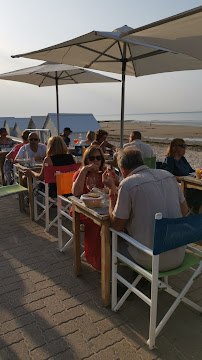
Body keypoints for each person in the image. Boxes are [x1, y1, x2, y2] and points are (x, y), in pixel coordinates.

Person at [103, 147, 188, 271]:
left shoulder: (128, 185)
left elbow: (117, 225)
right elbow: (184, 210)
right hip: (178, 253)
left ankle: (123, 284)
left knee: (109, 235)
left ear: (122, 169)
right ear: (141, 161)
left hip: (151, 259)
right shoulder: (168, 176)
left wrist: (111, 189)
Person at [71, 145, 106, 270]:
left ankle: (109, 253)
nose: (95, 161)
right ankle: (97, 260)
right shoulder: (80, 173)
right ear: (86, 160)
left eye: (98, 158)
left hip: (102, 208)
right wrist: (84, 170)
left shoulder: (105, 172)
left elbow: (117, 188)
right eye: (92, 158)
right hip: (82, 209)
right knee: (97, 226)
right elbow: (76, 192)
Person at [162, 138, 202, 213]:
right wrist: (181, 178)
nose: (185, 149)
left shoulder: (182, 159)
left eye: (185, 146)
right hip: (181, 187)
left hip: (190, 183)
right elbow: (167, 176)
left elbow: (191, 171)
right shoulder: (169, 159)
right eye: (183, 146)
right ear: (176, 147)